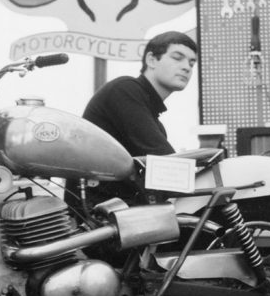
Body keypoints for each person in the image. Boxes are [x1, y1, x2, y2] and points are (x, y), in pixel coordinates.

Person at [80, 30, 198, 204]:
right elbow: (167, 162)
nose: (187, 67)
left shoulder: (155, 122)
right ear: (151, 60)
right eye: (177, 57)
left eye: (191, 62)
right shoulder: (125, 90)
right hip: (99, 216)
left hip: (122, 213)